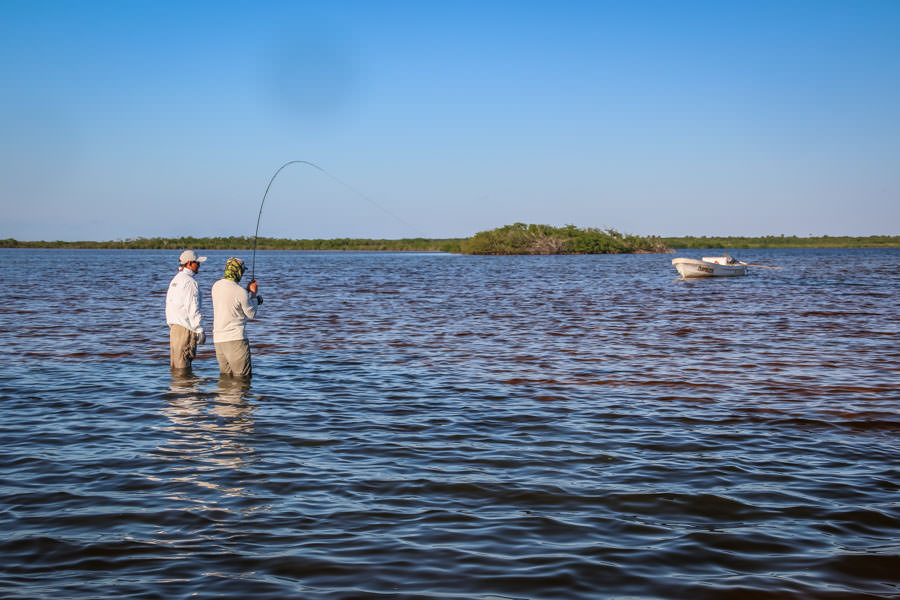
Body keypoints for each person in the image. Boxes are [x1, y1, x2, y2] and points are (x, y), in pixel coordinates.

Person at [211, 257, 262, 378]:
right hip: (236, 340)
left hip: (218, 341)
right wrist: (254, 294)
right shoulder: (240, 292)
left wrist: (246, 291)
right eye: (242, 271)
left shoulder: (216, 286)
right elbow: (251, 313)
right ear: (238, 271)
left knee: (225, 378)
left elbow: (231, 297)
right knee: (242, 379)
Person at [165, 249, 207, 372]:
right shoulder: (190, 282)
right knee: (183, 367)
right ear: (189, 263)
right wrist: (199, 330)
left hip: (174, 328)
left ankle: (177, 390)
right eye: (197, 263)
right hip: (185, 329)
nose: (199, 265)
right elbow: (193, 308)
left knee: (175, 366)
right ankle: (185, 390)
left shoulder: (175, 280)